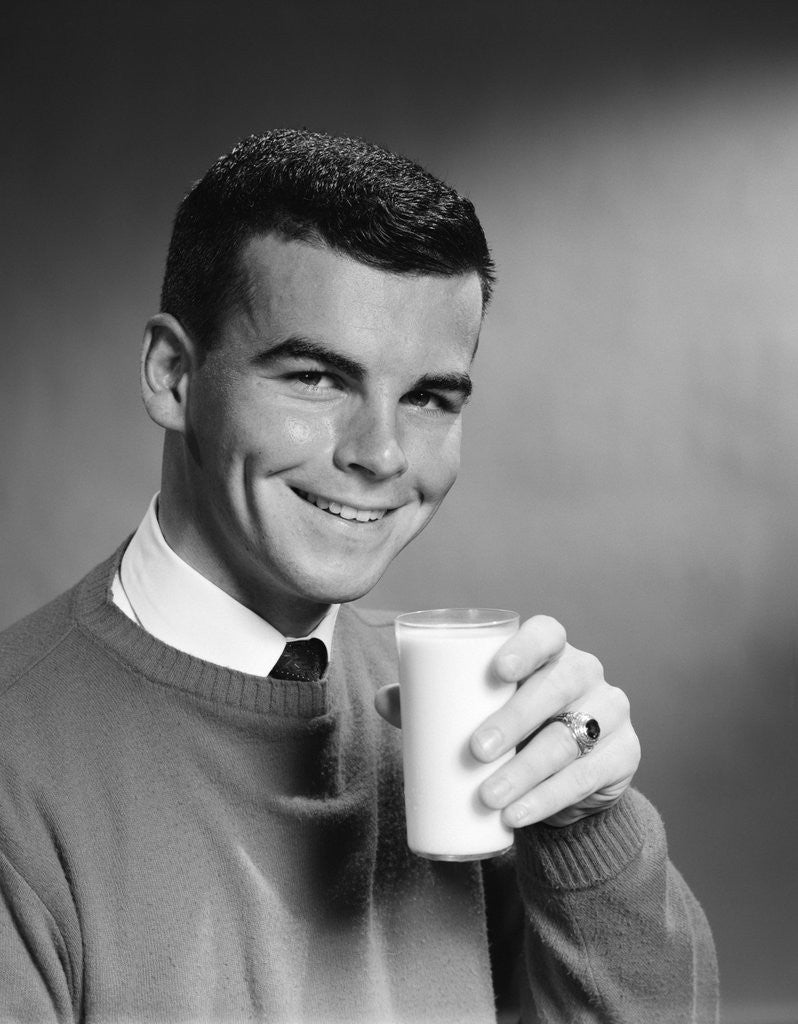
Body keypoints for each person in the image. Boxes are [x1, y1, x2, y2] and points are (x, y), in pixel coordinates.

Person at [0, 129, 718, 1023]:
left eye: (428, 397)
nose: (381, 454)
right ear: (174, 375)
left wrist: (588, 831)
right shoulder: (19, 763)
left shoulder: (478, 735)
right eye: (316, 378)